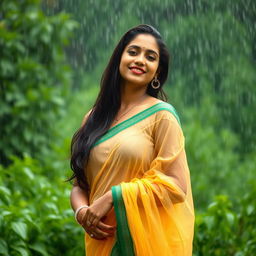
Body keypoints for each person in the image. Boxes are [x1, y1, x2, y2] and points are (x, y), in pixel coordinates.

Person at [69, 24, 194, 256]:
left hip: (146, 243)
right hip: (101, 244)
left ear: (157, 71)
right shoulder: (94, 117)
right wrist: (83, 212)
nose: (140, 60)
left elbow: (176, 186)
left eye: (151, 57)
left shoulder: (161, 116)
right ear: (120, 58)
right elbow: (80, 186)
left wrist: (114, 197)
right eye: (133, 52)